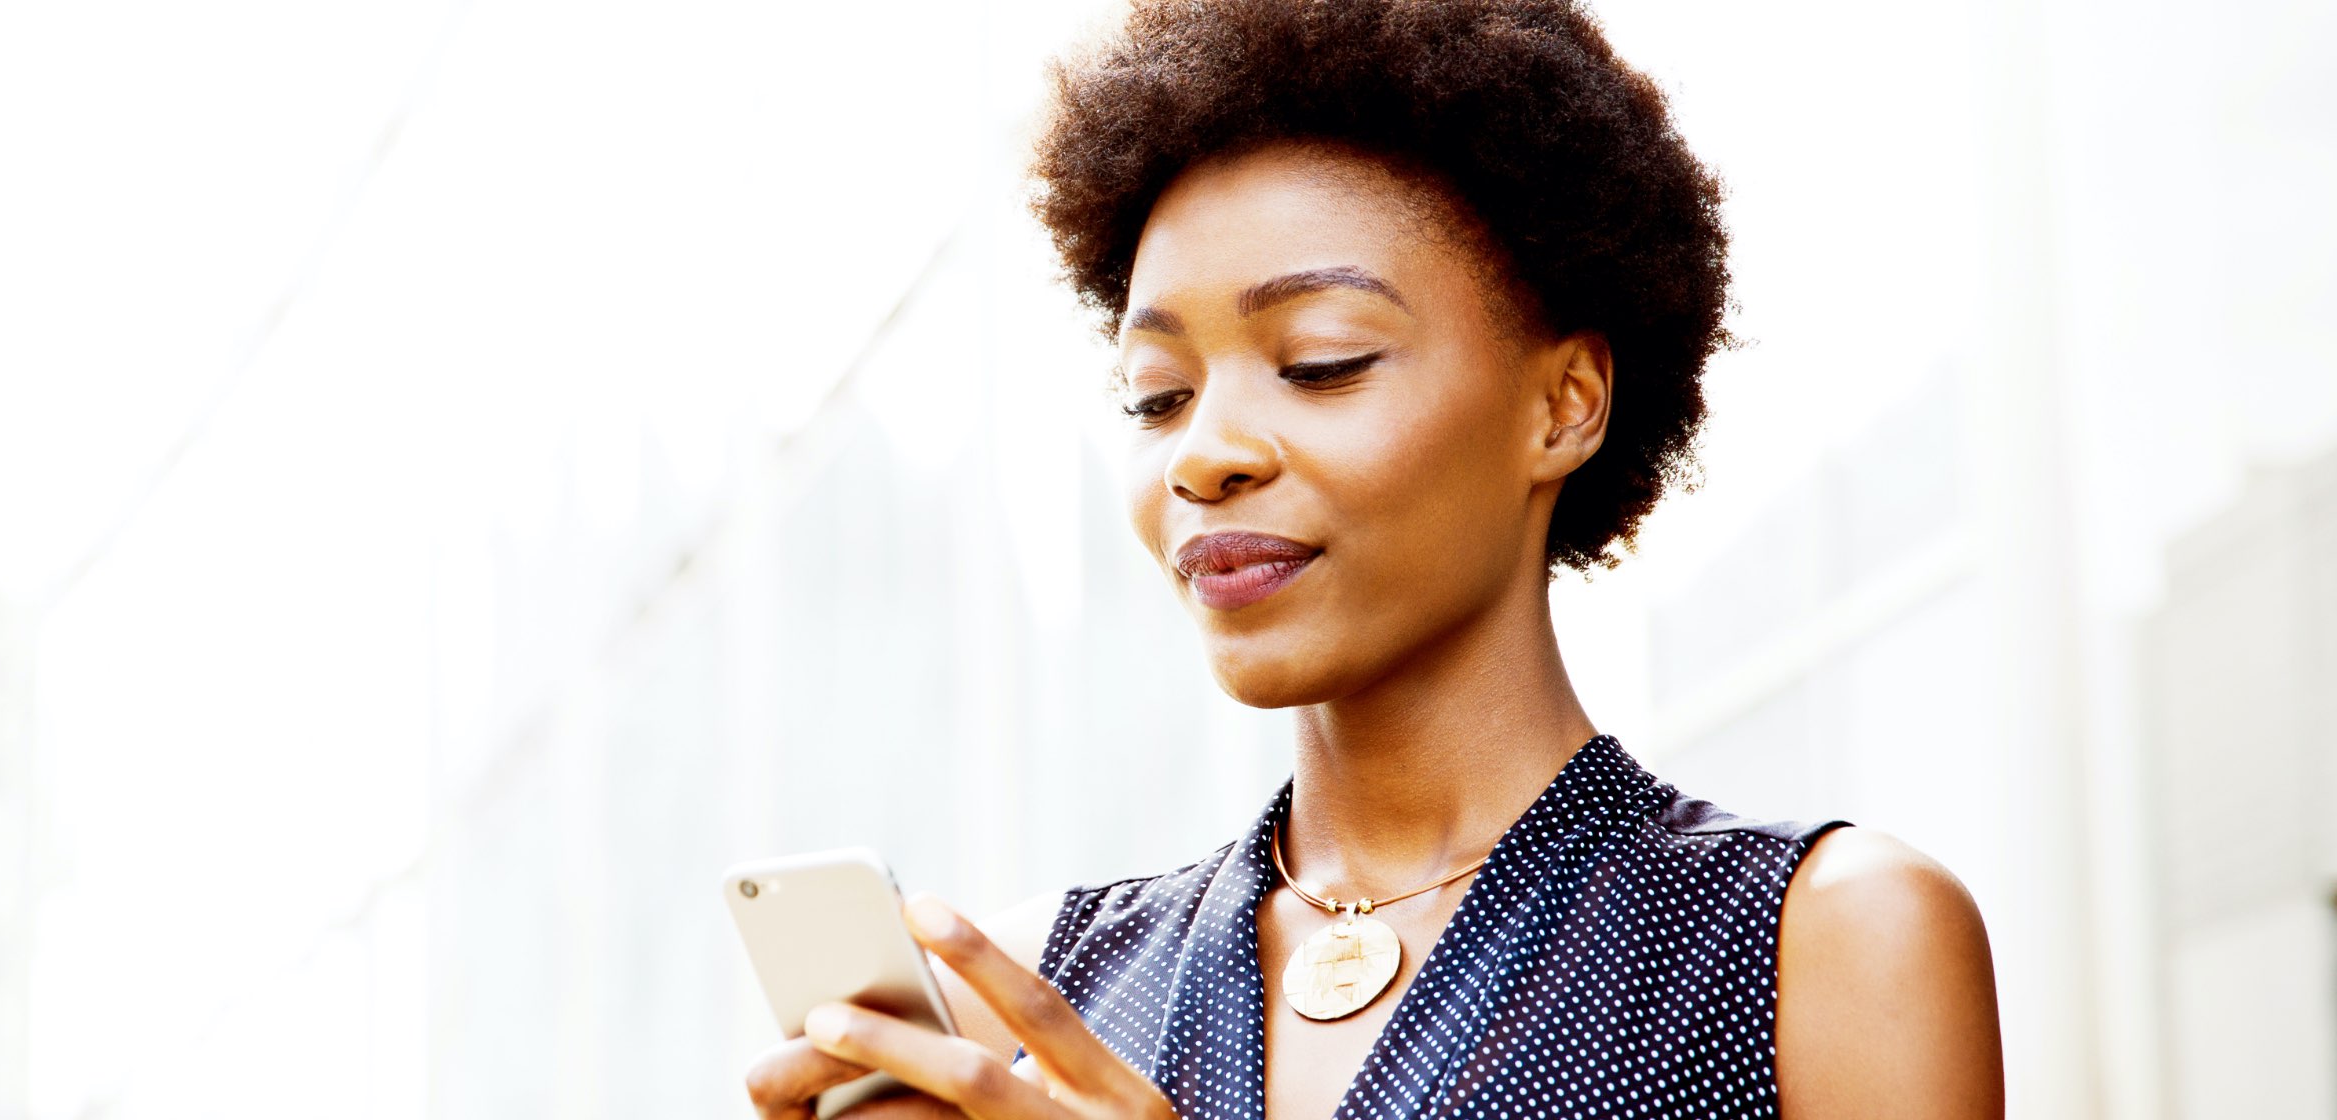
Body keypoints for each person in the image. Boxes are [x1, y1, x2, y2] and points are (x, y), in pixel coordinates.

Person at [742, 0, 2006, 1116]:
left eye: (1322, 362)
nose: (1206, 455)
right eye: (1155, 394)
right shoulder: (1019, 998)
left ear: (1561, 404)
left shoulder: (1822, 943)